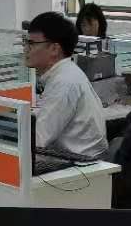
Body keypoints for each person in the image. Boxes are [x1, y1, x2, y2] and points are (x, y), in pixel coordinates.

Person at [24, 11, 108, 156]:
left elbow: (38, 139)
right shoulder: (65, 72)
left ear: (54, 49)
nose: (25, 49)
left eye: (31, 44)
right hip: (79, 155)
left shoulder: (64, 82)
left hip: (81, 161)